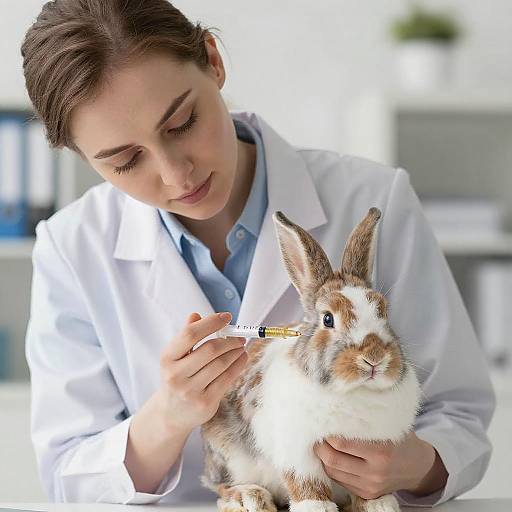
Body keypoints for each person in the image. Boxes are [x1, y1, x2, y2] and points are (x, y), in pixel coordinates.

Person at [21, 0, 495, 507]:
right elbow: (66, 475)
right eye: (125, 161)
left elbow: (459, 415)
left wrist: (411, 464)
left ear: (213, 60)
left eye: (182, 123)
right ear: (82, 157)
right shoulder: (71, 247)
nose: (176, 175)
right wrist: (169, 416)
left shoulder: (374, 198)